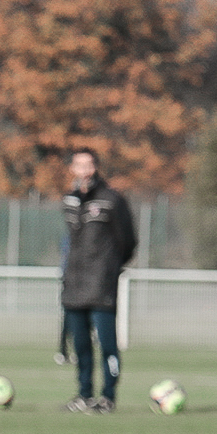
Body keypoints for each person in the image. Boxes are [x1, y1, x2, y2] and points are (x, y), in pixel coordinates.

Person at [60, 147, 136, 413]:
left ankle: (108, 397)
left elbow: (128, 240)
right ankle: (84, 395)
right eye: (79, 165)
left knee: (107, 344)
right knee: (80, 346)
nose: (84, 171)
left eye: (89, 165)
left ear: (96, 168)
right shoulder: (68, 200)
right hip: (74, 283)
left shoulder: (112, 199)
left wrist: (110, 267)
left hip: (101, 284)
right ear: (72, 169)